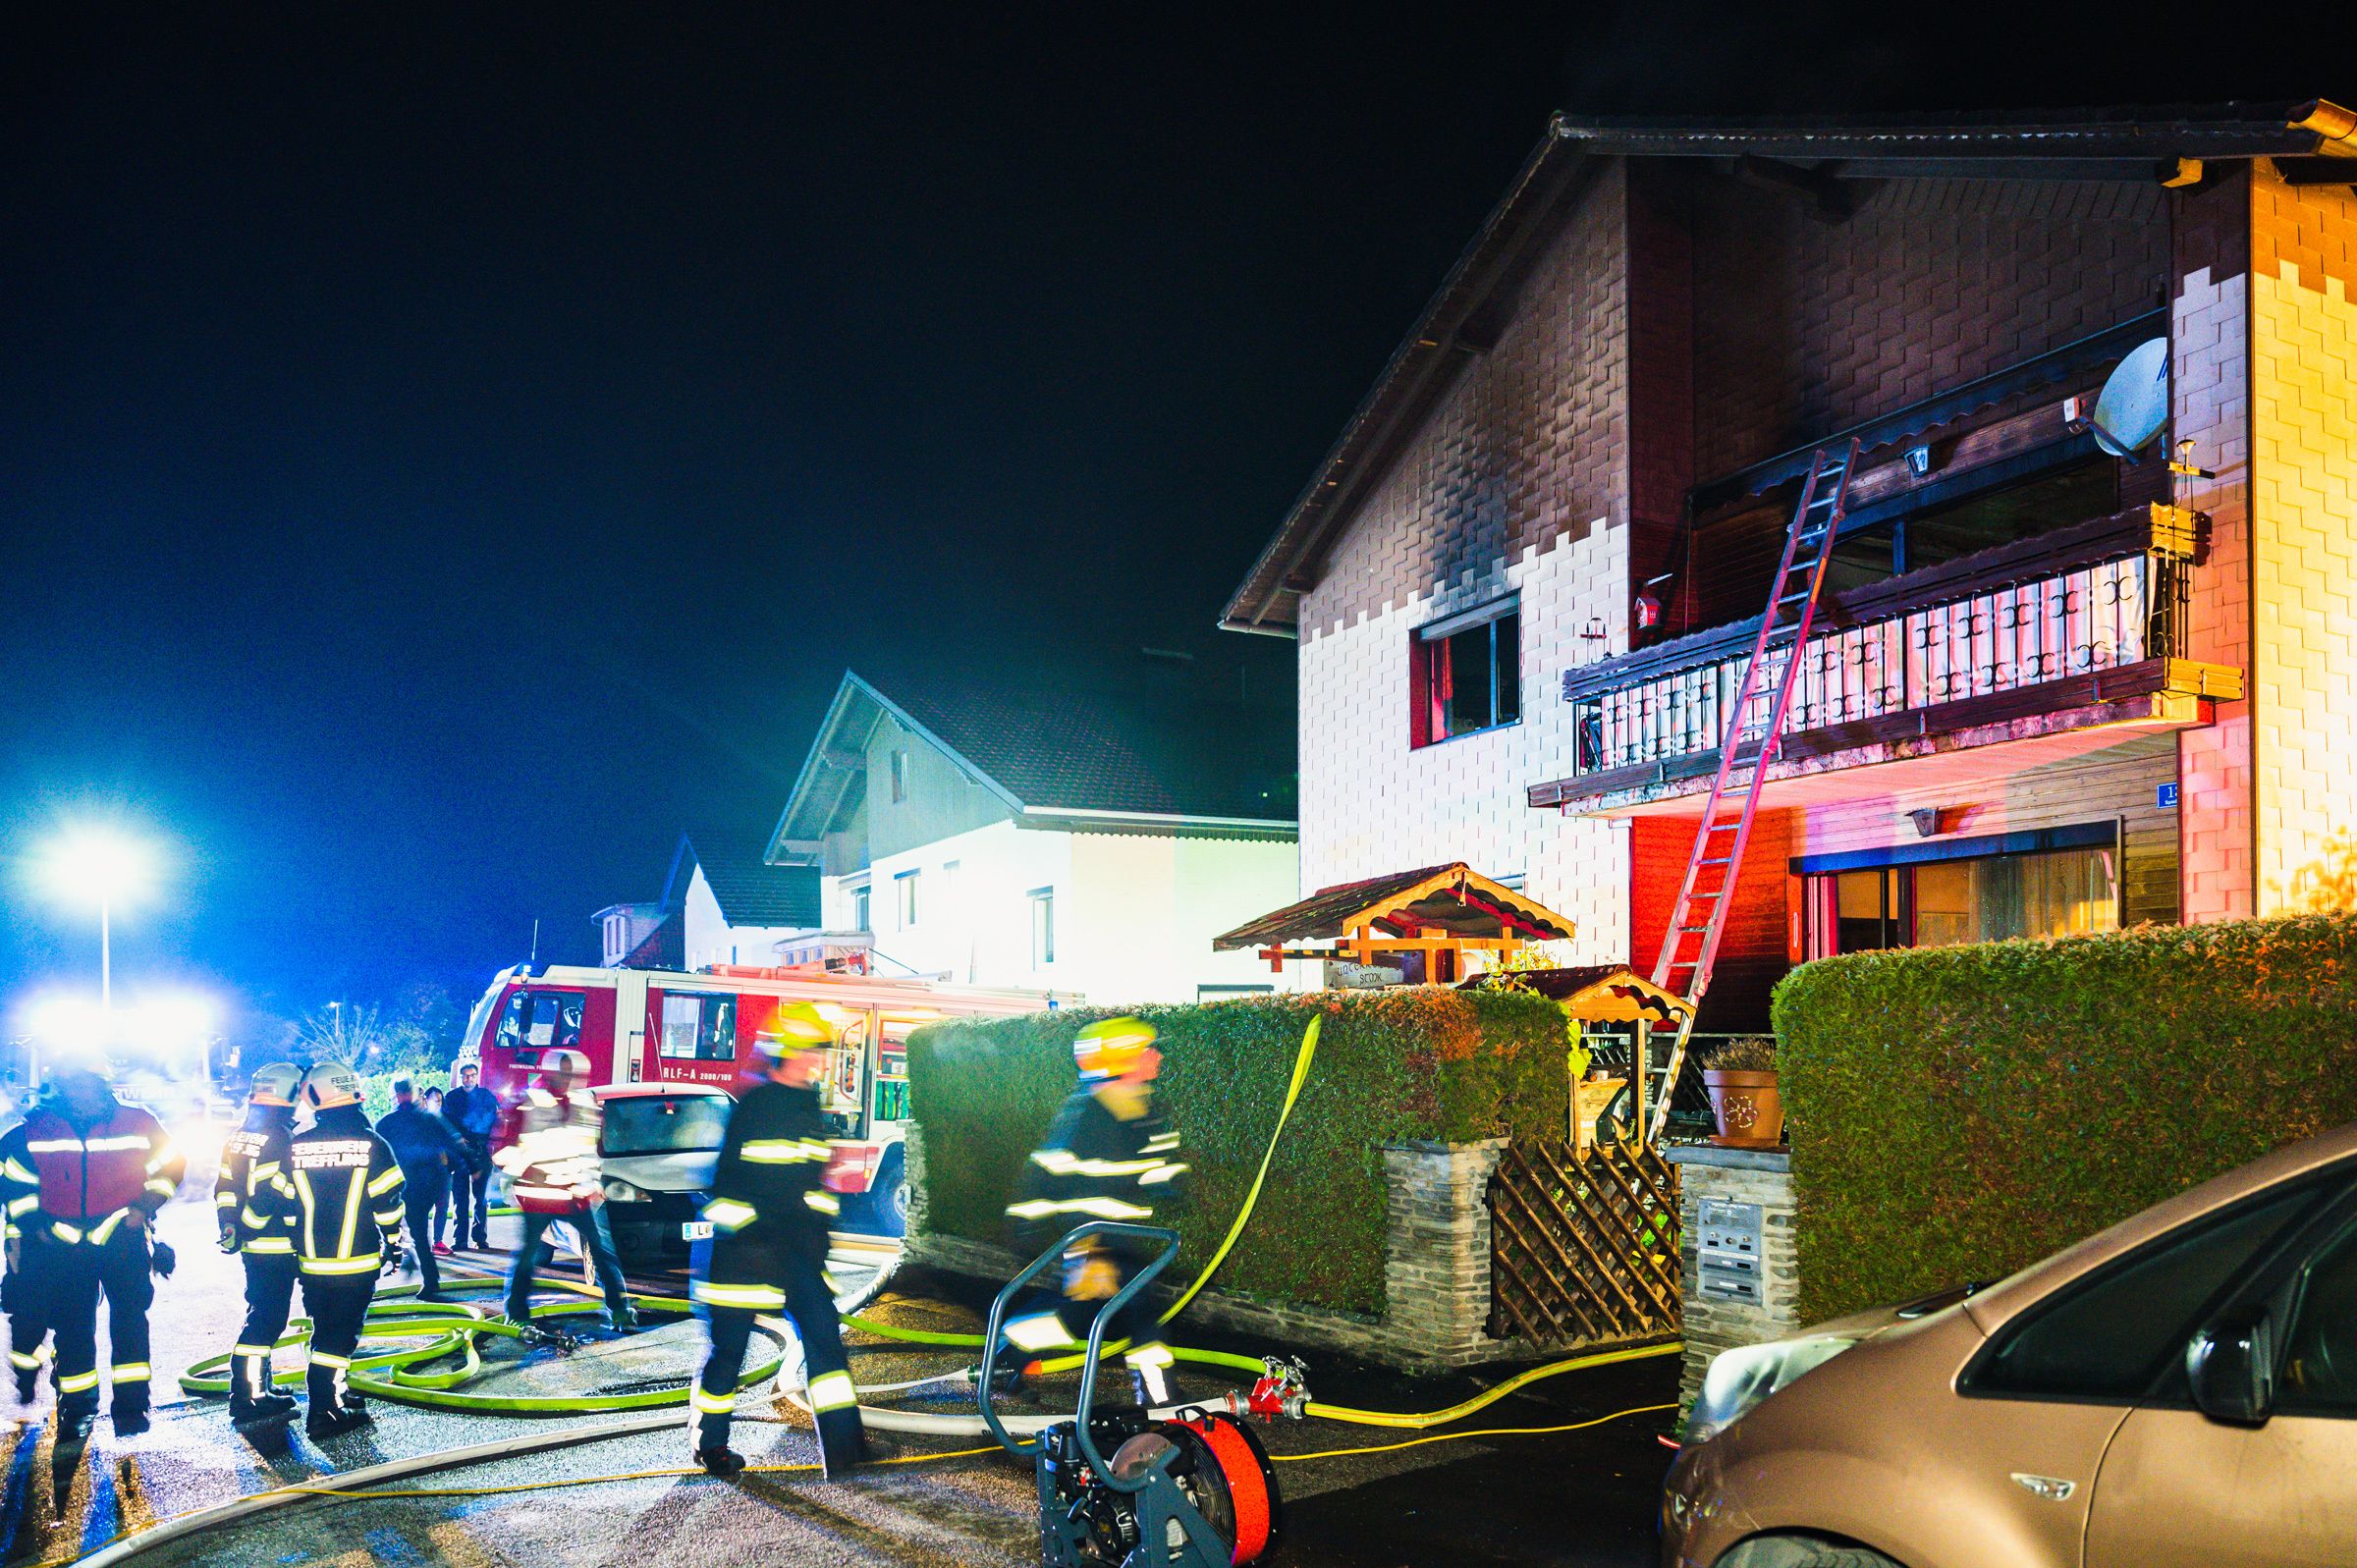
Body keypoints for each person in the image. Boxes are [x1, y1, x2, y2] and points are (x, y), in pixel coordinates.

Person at [688, 1003, 867, 1478]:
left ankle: (845, 1446)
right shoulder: (757, 1106)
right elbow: (726, 1188)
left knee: (825, 1339)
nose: (823, 1061)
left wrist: (817, 1244)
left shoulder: (808, 1106)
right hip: (742, 1259)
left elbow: (814, 1188)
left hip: (795, 1255)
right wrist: (755, 1236)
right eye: (815, 1051)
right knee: (728, 1357)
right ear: (790, 1053)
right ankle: (711, 1446)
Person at [1002, 1016, 1188, 1406]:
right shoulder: (1089, 1115)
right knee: (1087, 1317)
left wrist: (1170, 1179)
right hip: (1095, 1242)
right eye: (1145, 1051)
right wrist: (1087, 1248)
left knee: (1128, 1316)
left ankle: (1157, 1396)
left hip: (1128, 1239)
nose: (1155, 1057)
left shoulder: (1141, 1108)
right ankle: (1006, 1357)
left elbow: (1151, 1167)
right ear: (1121, 1059)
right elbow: (1060, 1178)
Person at [0, 1063, 186, 1437]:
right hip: (63, 1246)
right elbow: (14, 1186)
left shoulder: (137, 1123)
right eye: (74, 1085)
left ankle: (132, 1409)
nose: (82, 1093)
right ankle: (78, 1407)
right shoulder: (32, 1132)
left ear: (102, 1086)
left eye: (88, 1085)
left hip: (122, 1238)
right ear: (61, 1088)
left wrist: (145, 1206)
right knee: (73, 1327)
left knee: (130, 1323)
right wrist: (35, 1226)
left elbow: (171, 1166)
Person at [270, 1059, 406, 1438]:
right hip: (357, 1262)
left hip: (312, 1264)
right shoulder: (372, 1144)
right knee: (339, 1338)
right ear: (355, 1093)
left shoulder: (297, 1146)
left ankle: (336, 1396)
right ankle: (325, 1413)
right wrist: (394, 1246)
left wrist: (299, 1243)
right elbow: (389, 1205)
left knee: (325, 1331)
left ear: (313, 1097)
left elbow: (284, 1201)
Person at [493, 1049, 634, 1334]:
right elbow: (501, 1151)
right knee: (529, 1257)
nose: (568, 1079)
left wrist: (593, 1183)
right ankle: (516, 1314)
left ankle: (620, 1310)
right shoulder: (528, 1103)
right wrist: (528, 1170)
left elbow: (591, 1148)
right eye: (563, 1072)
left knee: (603, 1253)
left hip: (576, 1194)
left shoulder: (584, 1103)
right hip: (539, 1195)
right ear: (549, 1072)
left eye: (572, 1073)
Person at [213, 1061, 304, 1425]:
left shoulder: (239, 1135)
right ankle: (248, 1397)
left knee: (261, 1315)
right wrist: (249, 1227)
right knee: (266, 1322)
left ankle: (260, 1386)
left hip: (253, 1246)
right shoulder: (279, 1137)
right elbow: (272, 1192)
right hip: (275, 1244)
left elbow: (224, 1189)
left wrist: (232, 1226)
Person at [378, 1078, 467, 1300]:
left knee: (416, 1229)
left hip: (411, 1184)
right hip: (432, 1183)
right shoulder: (428, 1119)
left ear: (396, 1095)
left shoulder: (387, 1123)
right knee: (416, 1228)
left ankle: (429, 1280)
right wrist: (471, 1167)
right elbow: (455, 1142)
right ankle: (417, 1266)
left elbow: (378, 1154)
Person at [441, 1061, 500, 1251]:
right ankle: (460, 1240)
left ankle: (480, 1238)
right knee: (460, 1198)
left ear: (477, 1076)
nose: (469, 1079)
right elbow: (446, 1123)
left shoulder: (486, 1096)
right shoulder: (451, 1097)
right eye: (466, 1076)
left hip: (481, 1152)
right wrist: (458, 1138)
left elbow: (495, 1118)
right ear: (461, 1077)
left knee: (481, 1199)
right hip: (459, 1154)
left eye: (472, 1075)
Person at [421, 1086, 456, 1252]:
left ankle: (438, 1241)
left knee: (442, 1206)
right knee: (423, 1207)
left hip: (445, 1171)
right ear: (425, 1100)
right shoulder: (420, 1122)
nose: (437, 1103)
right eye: (433, 1100)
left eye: (439, 1100)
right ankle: (421, 1242)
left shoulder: (445, 1121)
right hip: (426, 1172)